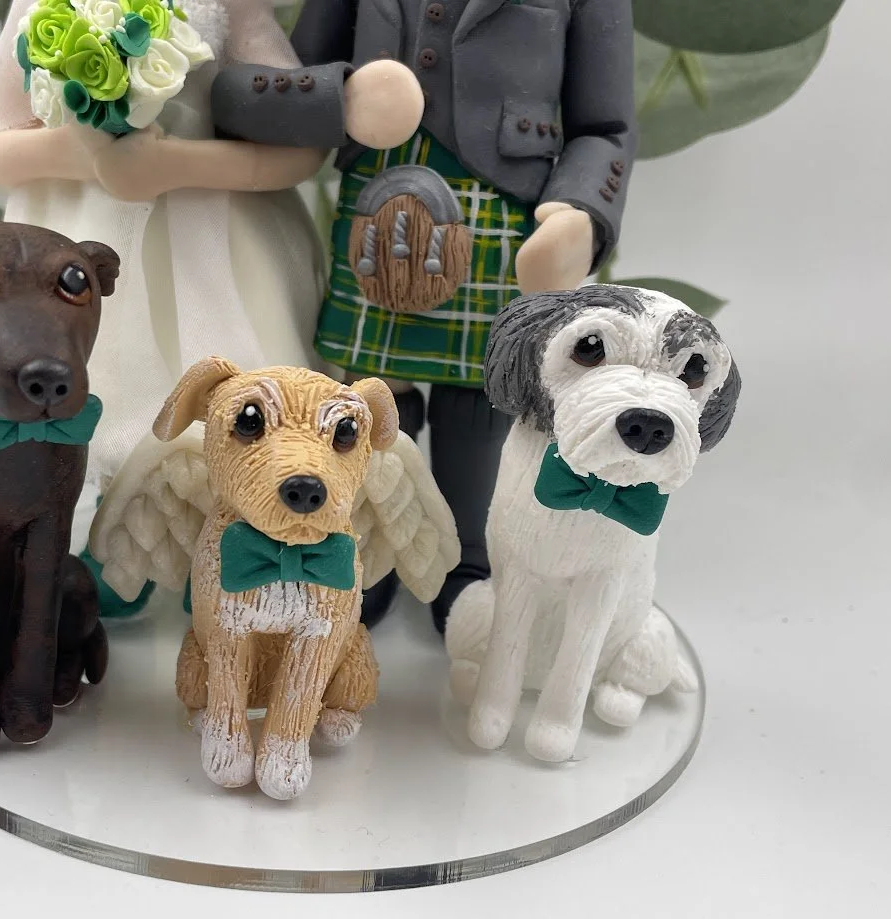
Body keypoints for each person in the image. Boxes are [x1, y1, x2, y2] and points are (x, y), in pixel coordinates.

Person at [209, 0, 637, 631]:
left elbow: (606, 126)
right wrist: (339, 98)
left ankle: (468, 565)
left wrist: (580, 212)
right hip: (377, 213)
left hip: (503, 221)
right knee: (372, 398)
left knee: (482, 395)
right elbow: (271, 79)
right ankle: (363, 550)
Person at [0, 0, 331, 616]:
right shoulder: (42, 8)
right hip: (79, 242)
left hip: (211, 235)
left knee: (225, 372)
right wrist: (87, 156)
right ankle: (114, 544)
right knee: (100, 374)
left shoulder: (227, 8)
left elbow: (303, 147)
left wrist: (176, 164)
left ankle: (229, 531)